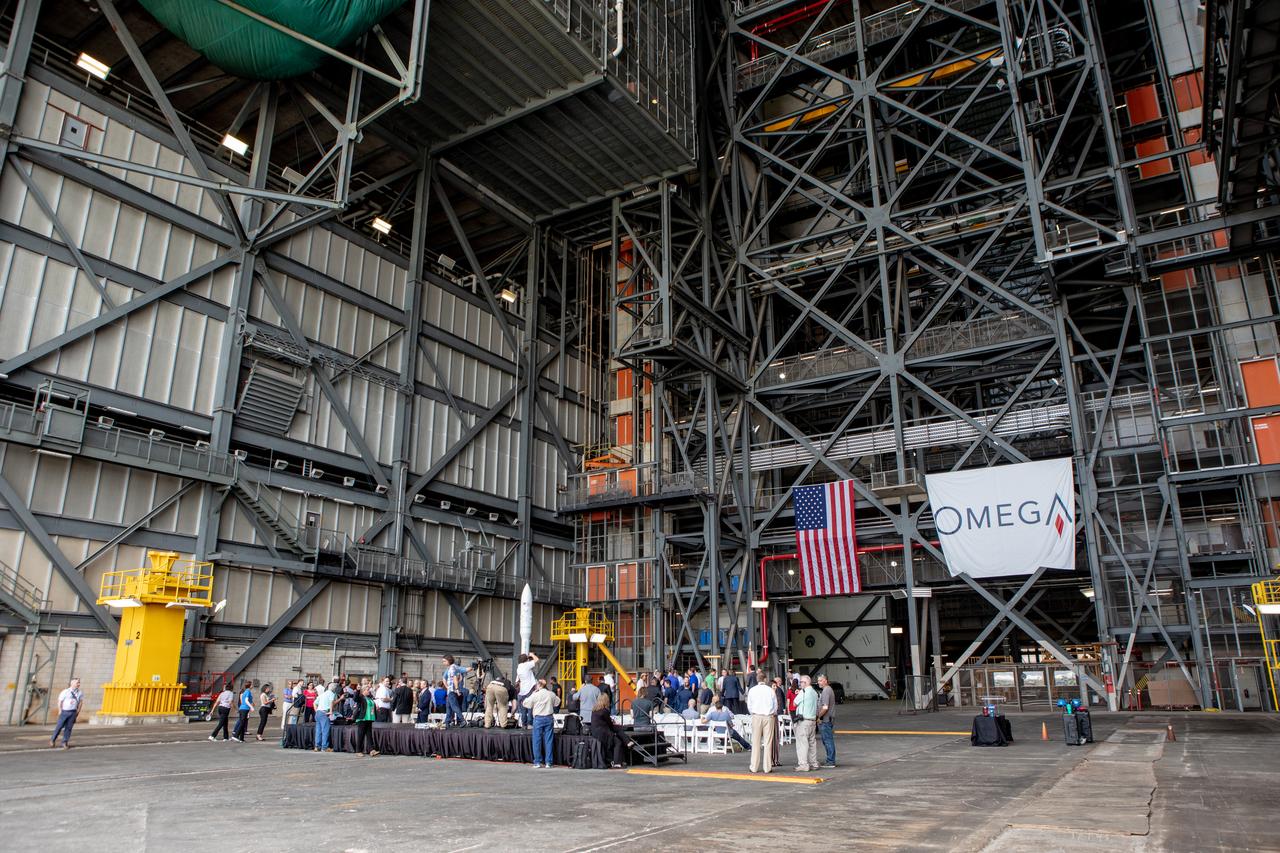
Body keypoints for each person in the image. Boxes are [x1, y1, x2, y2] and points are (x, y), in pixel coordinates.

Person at [522, 678, 559, 768]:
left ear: (538, 685)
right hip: (549, 718)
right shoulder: (551, 694)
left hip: (538, 719)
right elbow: (557, 702)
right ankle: (548, 762)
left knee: (537, 741)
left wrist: (533, 693)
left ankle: (537, 762)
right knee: (548, 740)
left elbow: (525, 703)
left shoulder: (536, 694)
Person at [746, 671, 777, 773]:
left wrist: (754, 714)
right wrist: (772, 713)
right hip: (768, 717)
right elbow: (775, 705)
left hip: (756, 716)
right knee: (768, 742)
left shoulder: (752, 690)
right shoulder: (770, 690)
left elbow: (749, 705)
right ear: (765, 679)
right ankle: (767, 767)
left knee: (756, 742)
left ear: (757, 679)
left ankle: (754, 767)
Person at [589, 695, 630, 768]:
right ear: (606, 701)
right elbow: (610, 725)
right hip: (603, 733)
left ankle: (627, 741)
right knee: (618, 742)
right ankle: (617, 762)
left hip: (595, 732)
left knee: (617, 731)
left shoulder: (594, 710)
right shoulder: (605, 711)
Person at [792, 675, 819, 771]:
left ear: (805, 683)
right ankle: (814, 763)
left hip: (803, 722)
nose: (800, 684)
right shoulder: (815, 693)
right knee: (812, 743)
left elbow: (794, 703)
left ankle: (803, 764)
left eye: (801, 682)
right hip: (812, 721)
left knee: (802, 743)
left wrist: (798, 694)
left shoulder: (803, 693)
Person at [49, 678, 84, 749]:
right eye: (77, 683)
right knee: (59, 727)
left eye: (79, 683)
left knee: (68, 728)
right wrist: (60, 710)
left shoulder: (80, 692)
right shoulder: (65, 692)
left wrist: (78, 711)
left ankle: (64, 742)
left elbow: (80, 702)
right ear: (72, 683)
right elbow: (60, 701)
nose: (79, 684)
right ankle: (52, 740)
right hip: (65, 712)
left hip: (73, 712)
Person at [817, 674, 837, 768]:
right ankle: (830, 760)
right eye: (818, 681)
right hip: (828, 719)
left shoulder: (826, 691)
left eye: (821, 680)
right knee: (828, 740)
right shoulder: (828, 690)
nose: (819, 682)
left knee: (828, 740)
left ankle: (830, 761)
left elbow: (825, 707)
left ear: (825, 680)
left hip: (826, 720)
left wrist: (818, 716)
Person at [441, 655, 466, 727]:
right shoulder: (454, 668)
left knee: (454, 706)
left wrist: (451, 688)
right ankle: (447, 722)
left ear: (449, 660)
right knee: (449, 707)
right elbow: (444, 679)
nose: (443, 663)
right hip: (454, 691)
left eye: (444, 661)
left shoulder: (452, 668)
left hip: (453, 691)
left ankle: (462, 720)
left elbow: (448, 679)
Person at [515, 652, 538, 727]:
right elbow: (537, 660)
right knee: (530, 707)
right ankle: (529, 724)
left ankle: (524, 725)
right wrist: (532, 655)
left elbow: (516, 681)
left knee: (523, 710)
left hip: (522, 691)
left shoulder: (518, 667)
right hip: (529, 690)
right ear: (526, 659)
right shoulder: (526, 665)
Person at [315, 681, 336, 752]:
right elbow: (331, 702)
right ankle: (324, 747)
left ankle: (317, 746)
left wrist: (316, 710)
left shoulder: (322, 694)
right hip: (324, 713)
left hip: (318, 712)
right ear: (334, 689)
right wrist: (330, 711)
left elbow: (315, 703)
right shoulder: (332, 694)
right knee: (325, 730)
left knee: (318, 730)